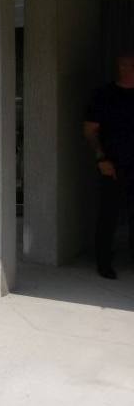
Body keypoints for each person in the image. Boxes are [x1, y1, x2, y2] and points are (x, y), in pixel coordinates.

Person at [84, 52, 134, 280]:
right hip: (112, 164)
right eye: (123, 64)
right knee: (108, 214)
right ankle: (104, 262)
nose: (127, 68)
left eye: (131, 65)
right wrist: (101, 158)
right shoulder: (104, 95)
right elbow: (90, 130)